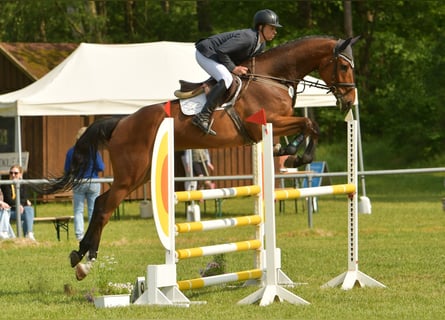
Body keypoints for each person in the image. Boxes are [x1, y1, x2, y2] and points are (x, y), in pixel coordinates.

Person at [192, 9, 282, 136]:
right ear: (261, 27)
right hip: (206, 53)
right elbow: (222, 51)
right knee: (227, 79)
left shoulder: (261, 44)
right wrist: (234, 69)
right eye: (272, 28)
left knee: (230, 78)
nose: (275, 31)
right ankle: (202, 116)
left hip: (217, 56)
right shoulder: (248, 38)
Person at [64, 127, 105, 241]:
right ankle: (92, 234)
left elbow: (67, 169)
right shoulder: (93, 151)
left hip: (78, 182)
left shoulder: (71, 151)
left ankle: (79, 235)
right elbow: (101, 167)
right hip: (93, 181)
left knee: (78, 210)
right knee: (93, 210)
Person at [1, 165, 35, 240]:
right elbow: (8, 199)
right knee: (27, 209)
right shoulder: (6, 184)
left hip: (20, 210)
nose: (13, 175)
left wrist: (21, 205)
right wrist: (18, 205)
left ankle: (29, 234)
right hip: (9, 211)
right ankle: (27, 235)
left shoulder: (24, 184)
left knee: (29, 209)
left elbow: (24, 198)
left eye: (15, 173)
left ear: (20, 174)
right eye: (11, 173)